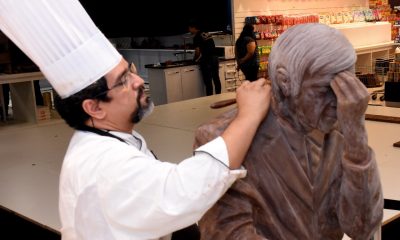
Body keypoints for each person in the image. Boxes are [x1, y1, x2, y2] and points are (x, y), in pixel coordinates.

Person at [0, 1, 272, 239]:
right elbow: (184, 191)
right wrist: (248, 115)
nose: (139, 80)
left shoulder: (114, 137)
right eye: (124, 80)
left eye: (130, 71)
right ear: (94, 107)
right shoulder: (102, 164)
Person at [194, 23, 383, 240]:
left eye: (345, 87)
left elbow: (363, 228)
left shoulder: (340, 131)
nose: (340, 102)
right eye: (326, 89)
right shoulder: (225, 139)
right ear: (285, 81)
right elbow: (227, 234)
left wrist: (356, 135)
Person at [188, 20, 221, 96]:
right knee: (216, 78)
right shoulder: (206, 33)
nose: (189, 30)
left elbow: (197, 51)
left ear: (193, 28)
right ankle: (219, 96)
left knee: (208, 81)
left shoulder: (196, 37)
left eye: (189, 28)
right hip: (215, 58)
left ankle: (209, 99)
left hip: (207, 59)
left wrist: (194, 60)